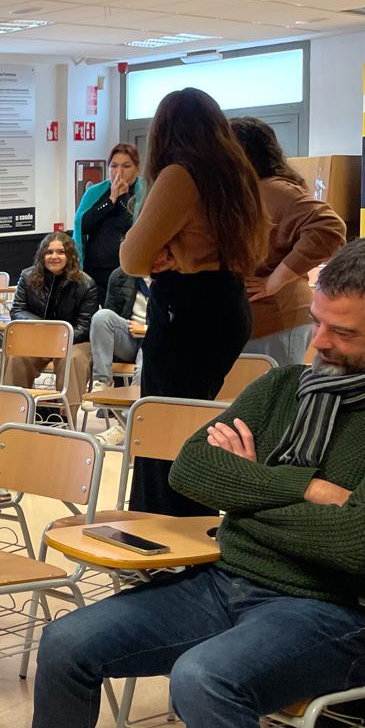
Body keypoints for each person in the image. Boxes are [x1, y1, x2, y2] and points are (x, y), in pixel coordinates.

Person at [0, 239, 365, 728]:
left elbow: (356, 546)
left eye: (343, 333)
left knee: (206, 682)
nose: (319, 342)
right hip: (230, 582)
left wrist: (252, 491)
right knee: (68, 642)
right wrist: (305, 491)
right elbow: (193, 470)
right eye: (318, 322)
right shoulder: (286, 388)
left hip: (330, 612)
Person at [121, 88, 265, 515]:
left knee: (165, 432)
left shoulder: (180, 175)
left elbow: (131, 257)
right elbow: (238, 248)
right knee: (191, 427)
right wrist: (178, 253)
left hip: (185, 313)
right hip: (227, 306)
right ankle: (185, 536)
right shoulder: (238, 174)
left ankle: (163, 541)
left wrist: (171, 255)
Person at [232, 116, 347, 367]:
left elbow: (330, 227)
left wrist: (275, 280)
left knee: (277, 399)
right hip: (259, 321)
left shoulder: (275, 190)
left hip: (276, 319)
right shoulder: (250, 191)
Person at [6, 231, 98, 418]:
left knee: (73, 360)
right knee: (16, 357)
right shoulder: (27, 277)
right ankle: (13, 414)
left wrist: (60, 338)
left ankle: (65, 418)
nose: (54, 257)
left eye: (60, 252)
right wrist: (47, 330)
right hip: (38, 339)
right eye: (49, 252)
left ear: (70, 255)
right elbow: (17, 311)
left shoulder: (86, 283)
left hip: (75, 342)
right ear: (42, 255)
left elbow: (86, 325)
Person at [89, 267, 151, 446]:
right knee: (102, 316)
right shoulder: (119, 275)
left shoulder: (174, 275)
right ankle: (102, 382)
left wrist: (147, 330)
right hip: (128, 337)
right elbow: (112, 313)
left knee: (146, 363)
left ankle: (124, 425)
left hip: (155, 339)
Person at [73, 143, 147, 289]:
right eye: (114, 166)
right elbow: (83, 225)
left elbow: (135, 228)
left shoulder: (145, 192)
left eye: (126, 166)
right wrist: (111, 200)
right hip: (95, 271)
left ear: (137, 169)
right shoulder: (95, 192)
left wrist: (124, 198)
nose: (119, 172)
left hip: (128, 272)